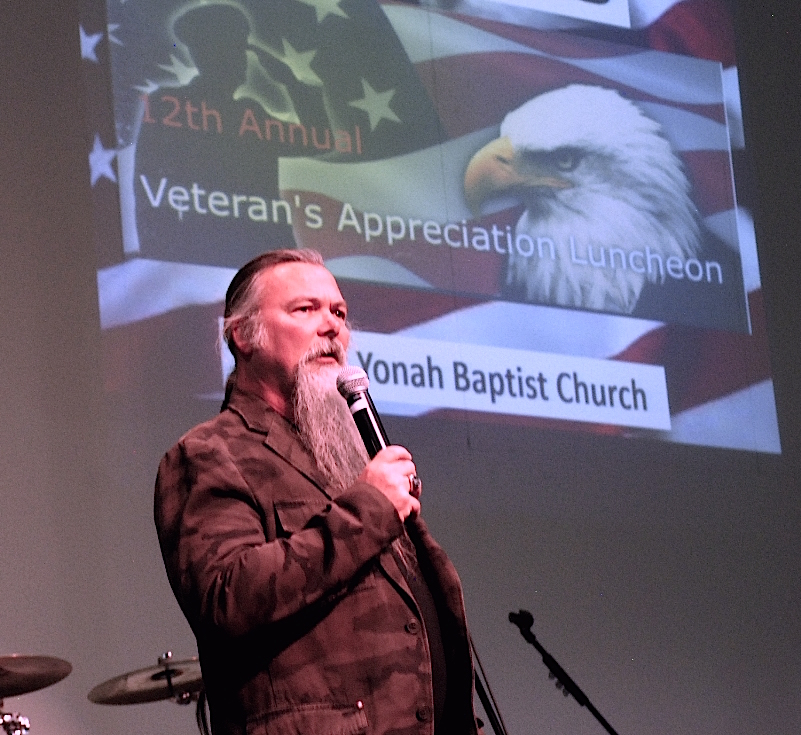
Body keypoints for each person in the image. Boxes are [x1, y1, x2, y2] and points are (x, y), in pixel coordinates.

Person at [154, 249, 480, 735]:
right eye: (305, 309)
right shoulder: (209, 453)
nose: (332, 327)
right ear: (243, 335)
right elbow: (227, 598)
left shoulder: (347, 453)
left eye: (340, 313)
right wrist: (368, 509)